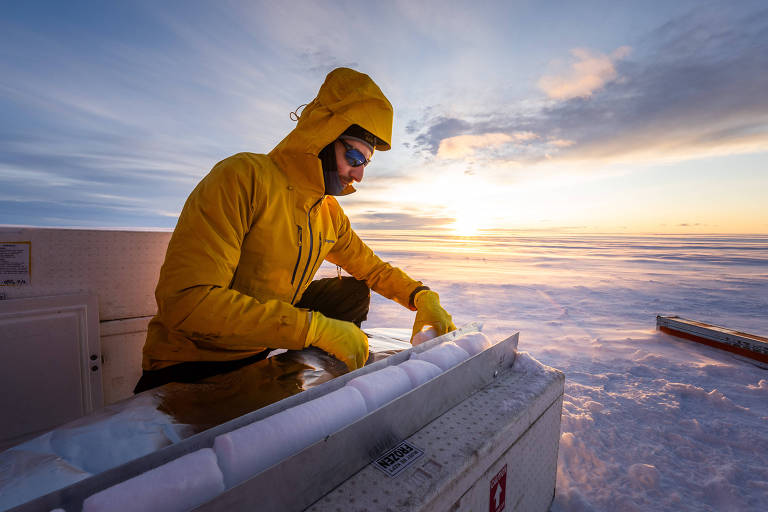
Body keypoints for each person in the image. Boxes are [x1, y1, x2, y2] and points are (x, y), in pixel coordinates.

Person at [134, 68, 455, 393]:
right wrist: (313, 328)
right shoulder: (243, 177)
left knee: (352, 291)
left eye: (365, 163)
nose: (358, 175)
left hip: (257, 351)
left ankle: (328, 369)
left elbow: (372, 269)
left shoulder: (328, 212)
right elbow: (188, 304)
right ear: (324, 136)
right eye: (354, 156)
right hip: (187, 366)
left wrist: (421, 296)